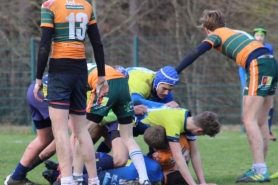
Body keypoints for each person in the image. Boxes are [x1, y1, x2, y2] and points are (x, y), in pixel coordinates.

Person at [175, 10, 278, 183]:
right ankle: (260, 167)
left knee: (248, 119)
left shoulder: (215, 35)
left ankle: (260, 170)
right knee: (261, 121)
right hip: (271, 62)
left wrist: (175, 71)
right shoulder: (234, 32)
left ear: (207, 30)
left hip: (257, 64)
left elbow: (196, 52)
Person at [33, 1, 109, 185]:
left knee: (59, 130)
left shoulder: (50, 5)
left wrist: (38, 79)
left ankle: (67, 180)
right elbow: (97, 43)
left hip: (60, 71)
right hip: (81, 71)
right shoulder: (86, 5)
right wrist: (101, 76)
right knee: (82, 130)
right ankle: (93, 179)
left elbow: (44, 45)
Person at [85, 64, 150, 185]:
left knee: (82, 134)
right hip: (109, 122)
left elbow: (102, 117)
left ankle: (75, 175)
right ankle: (144, 178)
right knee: (126, 141)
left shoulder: (102, 80)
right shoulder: (119, 85)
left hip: (111, 122)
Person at [4, 75, 54, 185]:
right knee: (71, 134)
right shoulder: (97, 77)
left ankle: (16, 177)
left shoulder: (92, 72)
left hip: (34, 89)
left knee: (45, 138)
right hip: (46, 92)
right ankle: (68, 178)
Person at [238, 26, 276, 141]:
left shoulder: (269, 48)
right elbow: (241, 67)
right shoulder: (248, 47)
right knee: (250, 105)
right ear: (253, 36)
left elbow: (270, 63)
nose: (259, 38)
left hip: (265, 77)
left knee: (269, 104)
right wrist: (244, 81)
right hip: (251, 78)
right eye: (257, 35)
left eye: (262, 35)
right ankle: (250, 128)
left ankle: (267, 130)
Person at [144, 125, 214, 185]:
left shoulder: (159, 157)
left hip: (171, 173)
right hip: (178, 169)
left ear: (154, 149)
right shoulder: (181, 137)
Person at [42, 152, 164, 185]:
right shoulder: (155, 170)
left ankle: (59, 171)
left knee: (98, 159)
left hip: (107, 170)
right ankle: (61, 171)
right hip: (110, 172)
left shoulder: (154, 168)